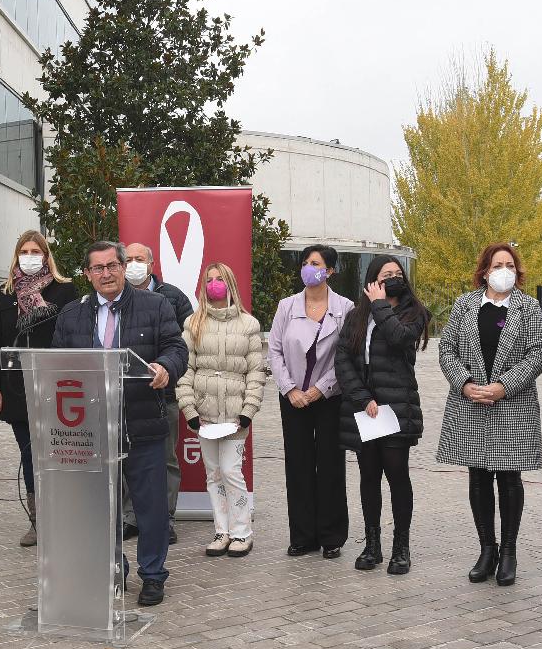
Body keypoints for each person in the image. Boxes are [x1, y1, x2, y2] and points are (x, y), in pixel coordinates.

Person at [51, 241, 187, 606]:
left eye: (113, 265)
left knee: (150, 507)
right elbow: (56, 365)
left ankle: (153, 574)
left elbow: (177, 349)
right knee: (99, 506)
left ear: (124, 267)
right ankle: (114, 568)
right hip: (91, 428)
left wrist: (165, 368)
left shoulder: (155, 306)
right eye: (98, 268)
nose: (106, 273)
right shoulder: (71, 315)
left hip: (142, 424)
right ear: (87, 274)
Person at [437, 243, 542, 586]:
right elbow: (447, 348)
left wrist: (504, 385)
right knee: (479, 476)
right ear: (484, 270)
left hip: (512, 404)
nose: (504, 270)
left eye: (510, 265)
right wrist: (465, 384)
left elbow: (539, 353)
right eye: (498, 264)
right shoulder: (465, 305)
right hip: (471, 403)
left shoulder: (528, 307)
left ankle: (510, 552)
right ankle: (487, 549)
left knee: (509, 478)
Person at [335, 255, 430, 575]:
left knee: (397, 475)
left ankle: (401, 547)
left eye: (397, 273)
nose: (392, 278)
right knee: (368, 476)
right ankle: (372, 544)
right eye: (385, 274)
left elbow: (400, 338)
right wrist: (362, 399)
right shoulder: (356, 316)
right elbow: (343, 358)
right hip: (367, 410)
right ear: (372, 279)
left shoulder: (414, 312)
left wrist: (380, 304)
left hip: (396, 407)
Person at [0, 231, 76, 547]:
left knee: (57, 452)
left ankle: (63, 516)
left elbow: (73, 337)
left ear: (46, 254)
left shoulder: (64, 290)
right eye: (24, 250)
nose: (30, 255)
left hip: (55, 388)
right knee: (30, 455)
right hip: (16, 388)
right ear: (16, 255)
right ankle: (38, 522)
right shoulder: (6, 292)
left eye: (36, 250)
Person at [267, 245, 354, 559]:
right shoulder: (287, 306)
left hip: (330, 397)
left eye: (315, 263)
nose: (308, 268)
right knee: (298, 464)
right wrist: (290, 389)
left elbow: (347, 355)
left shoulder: (345, 308)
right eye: (305, 263)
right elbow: (274, 351)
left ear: (329, 270)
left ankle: (332, 536)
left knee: (330, 465)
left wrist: (321, 387)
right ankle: (303, 536)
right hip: (293, 398)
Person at [176, 263, 264, 558]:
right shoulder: (193, 324)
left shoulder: (248, 325)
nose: (214, 284)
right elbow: (184, 370)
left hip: (236, 415)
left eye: (220, 279)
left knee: (231, 471)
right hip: (205, 415)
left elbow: (255, 372)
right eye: (209, 280)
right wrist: (189, 409)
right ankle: (221, 531)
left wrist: (248, 410)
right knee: (213, 474)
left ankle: (242, 532)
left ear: (230, 284)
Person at [123, 241, 192, 544]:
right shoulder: (114, 298)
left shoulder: (173, 298)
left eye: (141, 258)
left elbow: (184, 345)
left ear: (152, 264)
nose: (134, 264)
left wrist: (166, 368)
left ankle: (165, 519)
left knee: (165, 459)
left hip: (164, 396)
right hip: (124, 397)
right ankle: (130, 517)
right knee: (124, 459)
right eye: (129, 259)